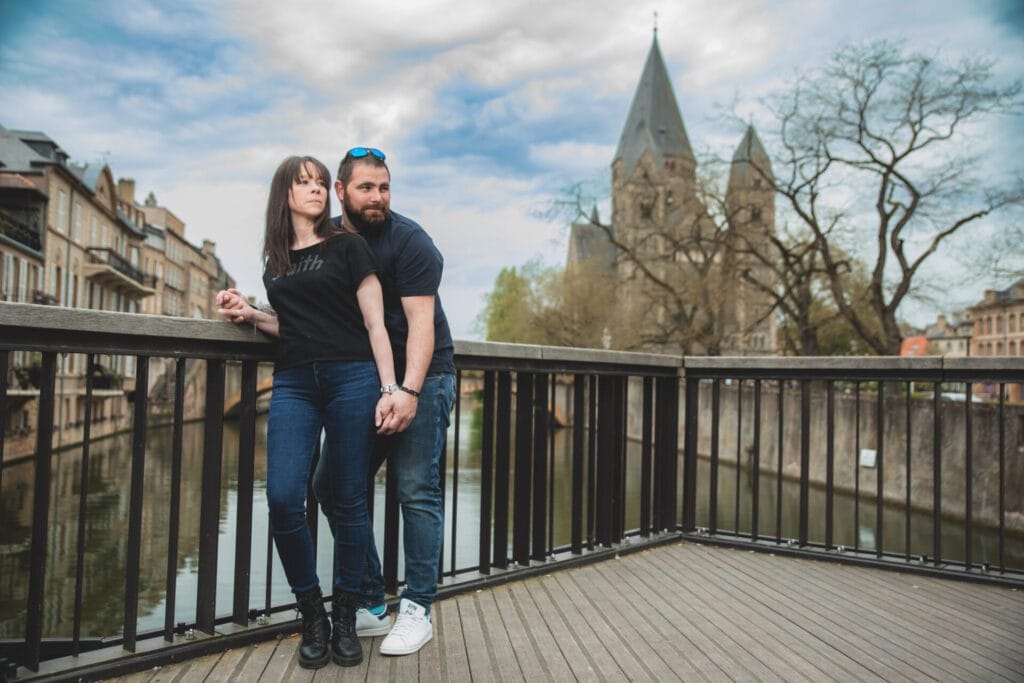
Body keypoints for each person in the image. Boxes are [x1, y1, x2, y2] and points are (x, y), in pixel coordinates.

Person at [215, 155, 396, 670]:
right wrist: (252, 314)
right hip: (294, 380)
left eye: (321, 183)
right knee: (283, 497)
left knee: (348, 496)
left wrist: (389, 386)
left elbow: (375, 324)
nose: (316, 190)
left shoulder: (349, 246)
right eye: (305, 183)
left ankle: (344, 618)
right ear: (285, 194)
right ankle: (310, 612)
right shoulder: (276, 260)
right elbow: (291, 326)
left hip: (352, 377)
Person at [315, 146, 456, 656]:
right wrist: (255, 312)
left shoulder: (410, 240)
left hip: (425, 376)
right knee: (331, 485)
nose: (377, 197)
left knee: (417, 491)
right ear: (340, 191)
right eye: (365, 187)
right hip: (368, 379)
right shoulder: (326, 239)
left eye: (385, 187)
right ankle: (373, 604)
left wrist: (410, 391)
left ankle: (417, 609)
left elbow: (421, 323)